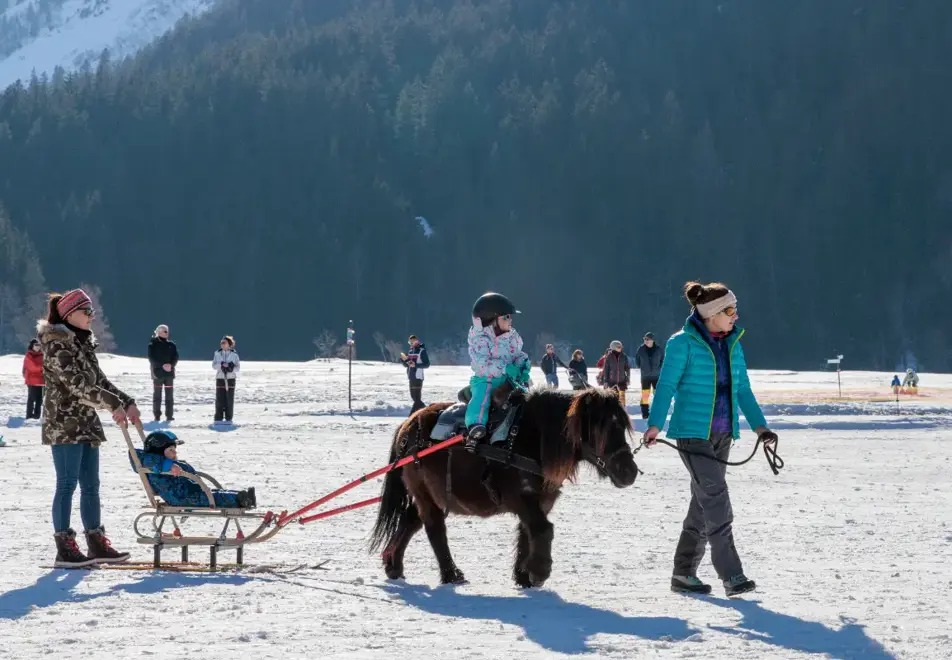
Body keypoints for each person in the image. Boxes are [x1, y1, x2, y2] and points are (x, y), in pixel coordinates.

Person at [644, 281, 777, 598]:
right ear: (712, 314)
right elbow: (665, 387)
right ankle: (732, 575)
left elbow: (742, 390)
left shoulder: (733, 344)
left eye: (735, 309)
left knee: (703, 504)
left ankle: (683, 574)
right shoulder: (682, 345)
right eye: (730, 310)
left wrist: (761, 428)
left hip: (722, 435)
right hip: (692, 435)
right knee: (717, 499)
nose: (735, 316)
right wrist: (654, 425)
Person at [38, 288, 140, 567]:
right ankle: (64, 546)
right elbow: (78, 386)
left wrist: (126, 402)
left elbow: (100, 382)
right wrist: (112, 405)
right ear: (71, 314)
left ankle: (96, 542)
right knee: (67, 483)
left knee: (91, 486)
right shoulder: (57, 344)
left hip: (87, 424)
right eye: (87, 312)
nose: (91, 317)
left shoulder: (83, 342)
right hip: (64, 425)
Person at [464, 292, 531, 450]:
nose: (511, 320)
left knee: (526, 396)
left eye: (510, 317)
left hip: (509, 380)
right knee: (482, 396)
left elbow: (517, 354)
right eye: (506, 317)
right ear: (491, 319)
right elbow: (482, 363)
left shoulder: (511, 337)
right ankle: (475, 426)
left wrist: (523, 366)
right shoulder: (479, 339)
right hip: (486, 379)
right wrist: (505, 368)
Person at [138, 431, 256, 508]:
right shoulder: (152, 463)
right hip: (180, 499)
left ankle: (242, 496)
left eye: (175, 449)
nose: (175, 453)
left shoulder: (166, 464)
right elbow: (145, 458)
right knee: (213, 498)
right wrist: (168, 465)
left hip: (189, 493)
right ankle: (240, 499)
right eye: (170, 450)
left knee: (213, 494)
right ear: (158, 452)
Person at [148, 324, 179, 422]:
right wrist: (162, 365)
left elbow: (176, 356)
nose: (167, 333)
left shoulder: (172, 345)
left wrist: (171, 365)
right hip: (158, 374)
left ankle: (169, 415)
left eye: (167, 331)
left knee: (169, 396)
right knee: (157, 396)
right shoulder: (152, 344)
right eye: (165, 331)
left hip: (169, 374)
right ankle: (157, 415)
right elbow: (151, 358)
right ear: (159, 332)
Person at [634, 332, 665, 419]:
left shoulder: (659, 349)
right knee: (645, 395)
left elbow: (663, 360)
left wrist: (658, 369)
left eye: (648, 339)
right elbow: (637, 362)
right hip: (645, 377)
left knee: (657, 395)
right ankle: (645, 413)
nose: (646, 341)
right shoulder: (641, 350)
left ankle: (657, 413)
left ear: (652, 340)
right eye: (645, 339)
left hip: (656, 376)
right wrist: (644, 369)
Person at [400, 335, 430, 414]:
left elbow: (427, 364)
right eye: (409, 342)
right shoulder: (410, 351)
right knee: (414, 397)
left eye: (412, 342)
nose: (410, 344)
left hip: (418, 377)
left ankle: (412, 415)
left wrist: (416, 365)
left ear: (416, 341)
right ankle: (425, 411)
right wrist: (404, 361)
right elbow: (408, 364)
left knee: (417, 398)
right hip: (411, 376)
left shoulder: (422, 351)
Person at [213, 336, 240, 423]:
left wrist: (229, 367)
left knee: (229, 399)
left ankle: (229, 417)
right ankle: (218, 417)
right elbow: (213, 365)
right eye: (221, 343)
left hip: (230, 378)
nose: (222, 344)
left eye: (224, 343)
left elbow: (237, 368)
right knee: (219, 399)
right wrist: (221, 365)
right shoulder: (217, 353)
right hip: (220, 378)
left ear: (229, 344)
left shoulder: (234, 355)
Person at [600, 340, 630, 407]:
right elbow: (606, 369)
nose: (620, 348)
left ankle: (622, 412)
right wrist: (605, 381)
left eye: (621, 347)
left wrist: (628, 379)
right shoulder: (609, 357)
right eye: (618, 347)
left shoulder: (624, 356)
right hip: (612, 381)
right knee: (613, 399)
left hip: (622, 381)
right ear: (613, 347)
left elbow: (627, 369)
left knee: (622, 399)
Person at [22, 339, 44, 419]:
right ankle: (29, 415)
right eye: (36, 345)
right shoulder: (29, 355)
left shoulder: (43, 355)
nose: (38, 347)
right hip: (32, 381)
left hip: (41, 382)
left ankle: (37, 416)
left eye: (39, 345)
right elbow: (32, 367)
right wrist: (43, 368)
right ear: (32, 346)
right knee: (31, 398)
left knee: (39, 399)